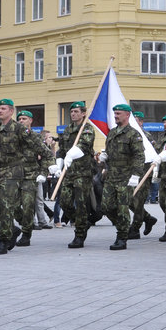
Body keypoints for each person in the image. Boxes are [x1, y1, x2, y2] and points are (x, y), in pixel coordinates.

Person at [0, 99, 57, 254]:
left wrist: (50, 163)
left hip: (13, 172)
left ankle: (4, 239)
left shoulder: (20, 129)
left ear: (11, 111)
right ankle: (13, 230)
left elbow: (39, 145)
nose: (0, 111)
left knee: (7, 206)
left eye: (3, 108)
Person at [100, 104, 145, 251]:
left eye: (118, 113)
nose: (115, 116)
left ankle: (122, 237)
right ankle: (122, 225)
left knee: (122, 208)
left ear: (127, 115)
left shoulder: (133, 134)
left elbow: (139, 156)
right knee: (106, 206)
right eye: (115, 113)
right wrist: (104, 156)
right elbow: (109, 151)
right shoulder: (112, 133)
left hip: (126, 177)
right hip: (111, 176)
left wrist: (136, 175)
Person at [56, 102, 97, 248]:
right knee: (65, 202)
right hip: (68, 172)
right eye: (71, 111)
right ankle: (83, 223)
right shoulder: (67, 130)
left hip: (83, 172)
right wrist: (58, 164)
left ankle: (79, 235)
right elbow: (61, 149)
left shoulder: (87, 129)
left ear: (83, 113)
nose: (73, 113)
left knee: (81, 204)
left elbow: (84, 146)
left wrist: (71, 154)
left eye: (76, 111)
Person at [14, 110, 55, 246]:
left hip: (29, 177)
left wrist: (43, 173)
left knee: (27, 207)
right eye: (19, 118)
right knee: (10, 206)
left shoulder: (35, 137)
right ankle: (24, 225)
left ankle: (26, 235)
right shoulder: (12, 136)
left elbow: (47, 155)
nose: (21, 121)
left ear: (30, 121)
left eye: (24, 118)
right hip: (12, 176)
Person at [127, 111, 157, 240]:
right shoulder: (128, 134)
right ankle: (148, 218)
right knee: (129, 200)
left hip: (144, 173)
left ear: (141, 122)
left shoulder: (146, 136)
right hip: (132, 173)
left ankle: (135, 228)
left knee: (138, 202)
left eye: (137, 120)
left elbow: (151, 154)